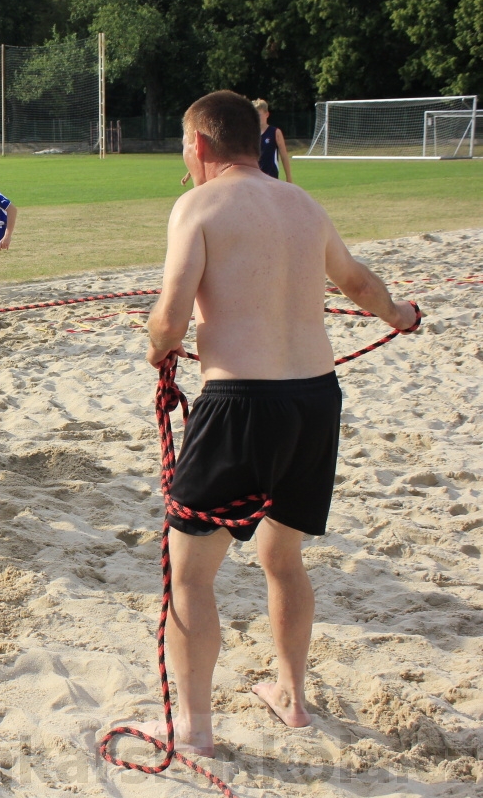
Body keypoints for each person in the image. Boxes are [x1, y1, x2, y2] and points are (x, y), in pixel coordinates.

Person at [142, 90, 418, 756]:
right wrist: (399, 316)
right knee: (281, 553)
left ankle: (196, 730)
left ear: (201, 146)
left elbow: (171, 321)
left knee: (191, 572)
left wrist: (156, 344)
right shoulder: (302, 203)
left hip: (243, 404)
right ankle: (292, 697)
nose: (185, 158)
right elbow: (355, 282)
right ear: (253, 139)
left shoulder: (197, 205)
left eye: (185, 146)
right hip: (316, 400)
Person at [254, 99, 293, 183]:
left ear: (266, 114)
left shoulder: (275, 132)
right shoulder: (251, 134)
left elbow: (284, 156)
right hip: (255, 177)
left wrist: (288, 177)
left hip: (271, 176)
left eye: (259, 115)